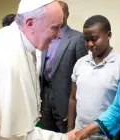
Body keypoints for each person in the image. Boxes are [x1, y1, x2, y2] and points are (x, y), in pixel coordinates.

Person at [0, 0, 77, 139]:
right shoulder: (8, 56)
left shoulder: (18, 39)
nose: (58, 35)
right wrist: (65, 138)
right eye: (54, 28)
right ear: (30, 23)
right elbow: (14, 135)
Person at [67, 15, 120, 139]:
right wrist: (70, 128)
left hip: (107, 136)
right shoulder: (80, 63)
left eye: (94, 39)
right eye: (86, 40)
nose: (89, 44)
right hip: (79, 134)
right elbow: (73, 98)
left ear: (108, 35)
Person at [40, 0, 87, 133]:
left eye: (61, 12)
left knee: (65, 134)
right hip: (45, 96)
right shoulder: (45, 37)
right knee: (46, 133)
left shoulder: (78, 38)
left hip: (66, 99)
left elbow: (82, 74)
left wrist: (75, 106)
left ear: (67, 14)